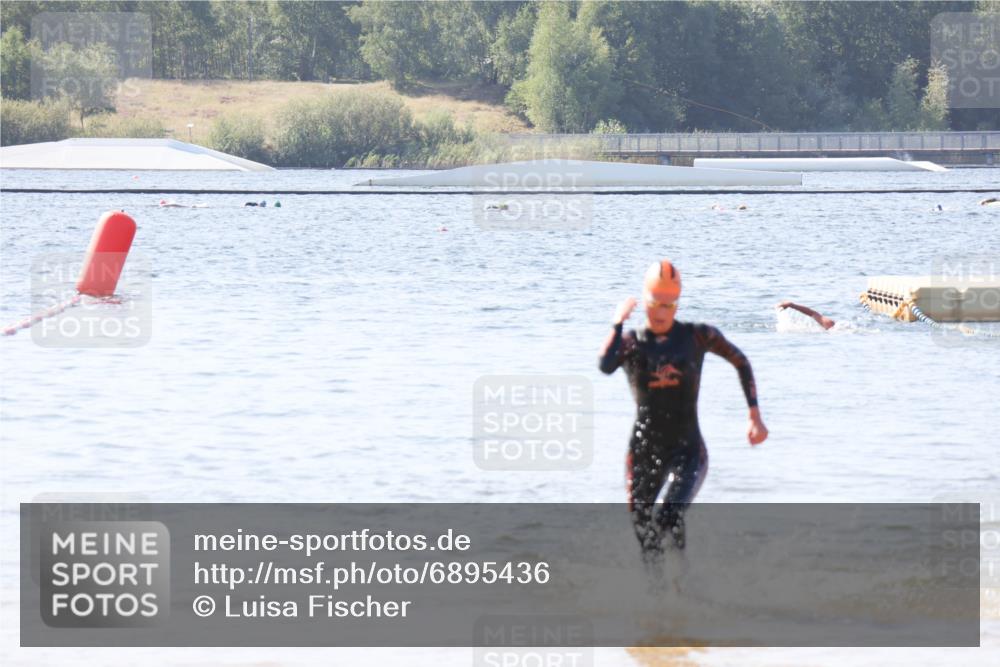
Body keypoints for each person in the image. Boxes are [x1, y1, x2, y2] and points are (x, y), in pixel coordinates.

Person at [600, 260, 768, 562]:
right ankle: (660, 597)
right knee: (644, 530)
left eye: (670, 305)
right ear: (645, 302)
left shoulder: (696, 337)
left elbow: (740, 360)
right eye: (655, 304)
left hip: (688, 449)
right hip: (644, 447)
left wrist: (754, 414)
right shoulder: (631, 343)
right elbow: (605, 365)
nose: (662, 312)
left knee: (667, 514)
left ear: (677, 304)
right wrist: (617, 323)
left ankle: (681, 585)